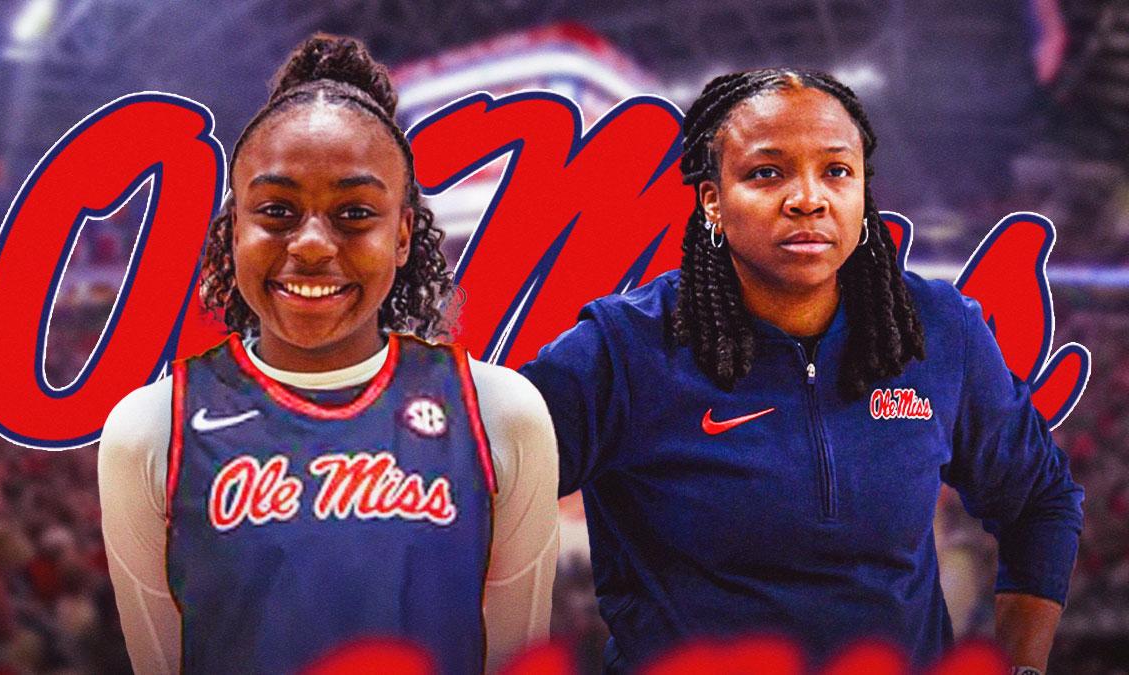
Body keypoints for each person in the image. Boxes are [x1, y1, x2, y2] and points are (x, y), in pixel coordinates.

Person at [520, 69, 1083, 673]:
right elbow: (482, 494)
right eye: (767, 172)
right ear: (712, 199)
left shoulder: (939, 331)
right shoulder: (623, 349)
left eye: (837, 171)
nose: (808, 197)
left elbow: (1040, 499)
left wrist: (1022, 664)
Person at [98, 34, 558, 675]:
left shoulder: (503, 413)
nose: (312, 244)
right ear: (234, 231)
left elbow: (516, 658)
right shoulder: (148, 430)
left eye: (353, 213)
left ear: (401, 234)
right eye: (278, 210)